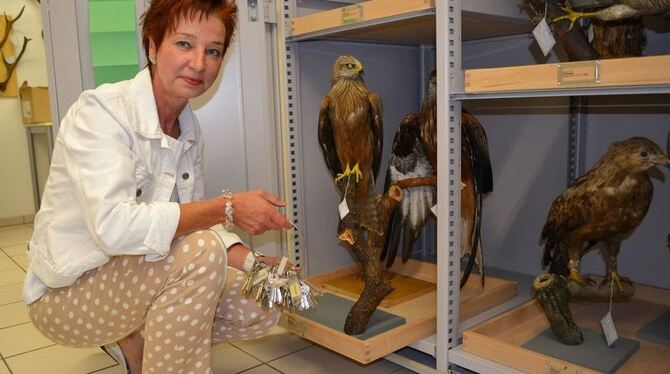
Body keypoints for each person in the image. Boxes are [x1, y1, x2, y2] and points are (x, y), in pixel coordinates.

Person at [22, 0, 292, 373]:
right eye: (184, 44)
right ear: (152, 46)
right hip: (67, 294)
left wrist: (254, 262)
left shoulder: (189, 128)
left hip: (134, 278)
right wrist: (228, 206)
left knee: (266, 292)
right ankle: (138, 344)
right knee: (200, 255)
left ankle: (143, 350)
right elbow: (115, 229)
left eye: (212, 51)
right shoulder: (102, 112)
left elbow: (196, 226)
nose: (199, 63)